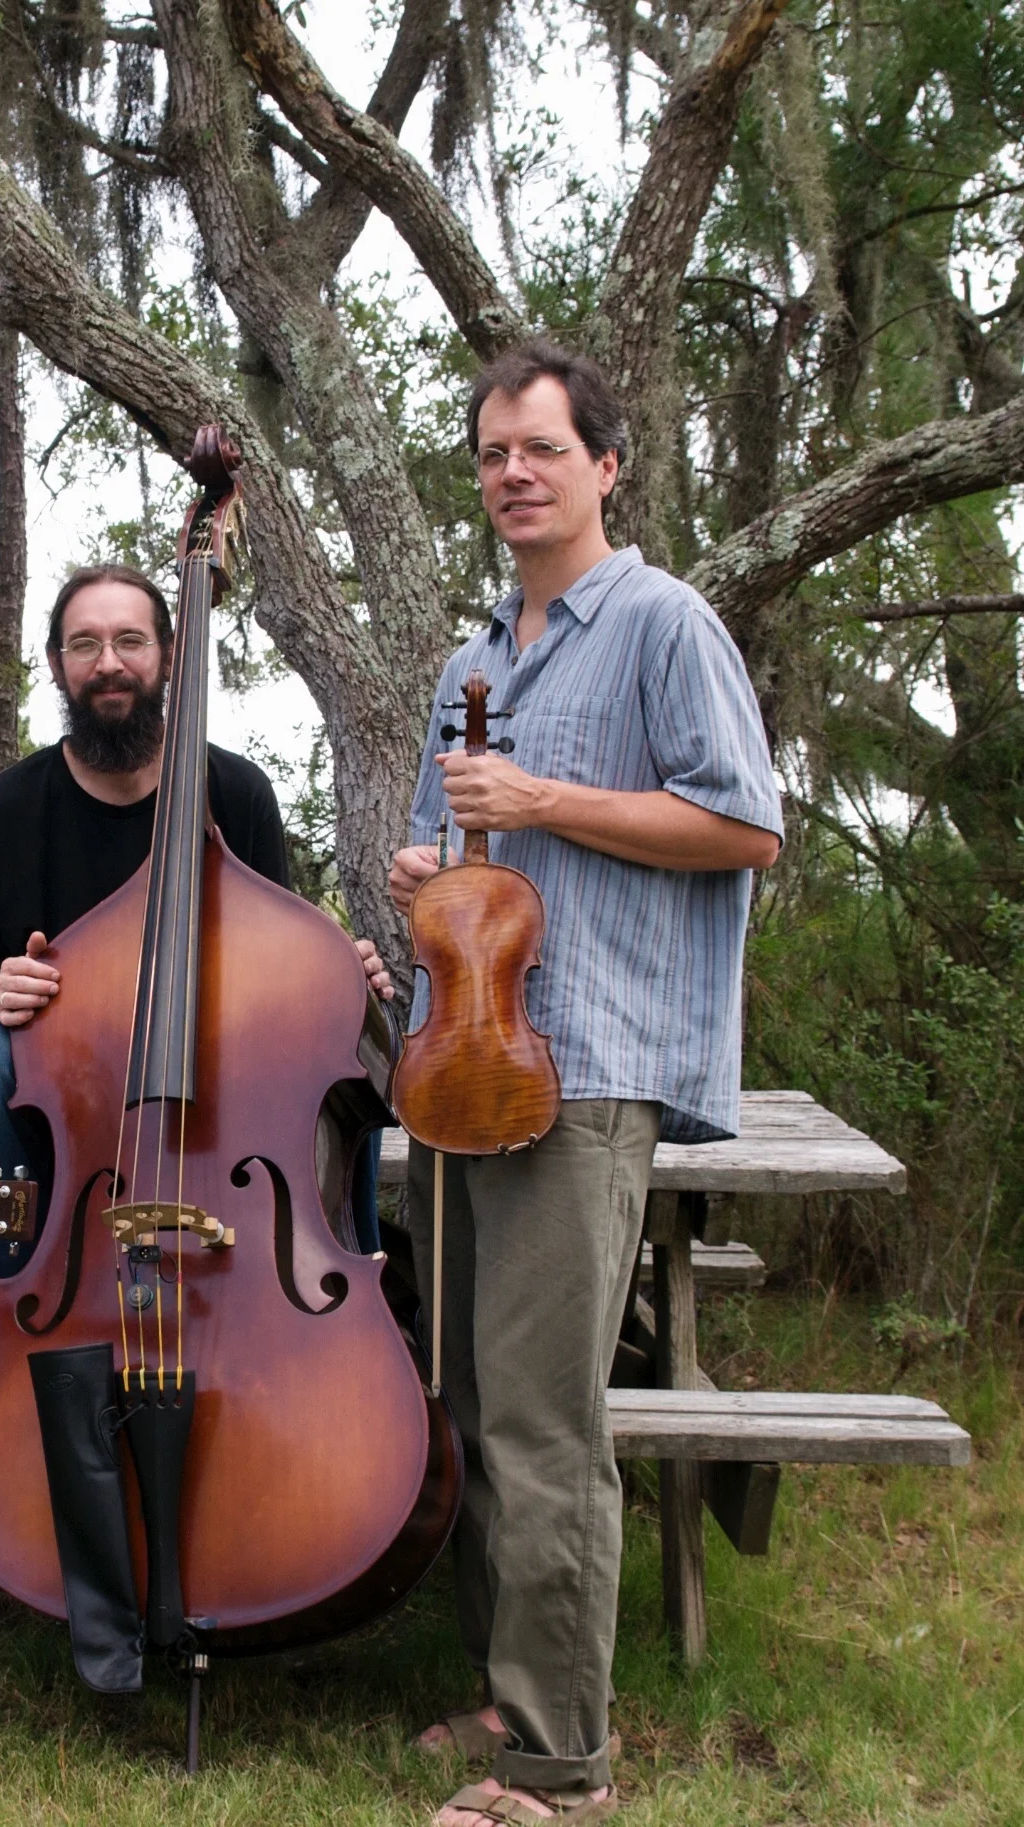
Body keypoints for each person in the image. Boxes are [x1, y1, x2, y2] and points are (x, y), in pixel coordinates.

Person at [388, 342, 782, 1826]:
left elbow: (744, 826)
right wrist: (423, 872)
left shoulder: (664, 624)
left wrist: (541, 800)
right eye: (493, 452)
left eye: (542, 448)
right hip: (460, 1064)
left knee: (546, 1418)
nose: (514, 473)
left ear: (605, 466)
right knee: (471, 1399)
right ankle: (507, 1694)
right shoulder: (470, 662)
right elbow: (453, 860)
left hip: (589, 1067)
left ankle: (560, 1765)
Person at [0, 562, 395, 1261]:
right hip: (66, 1084)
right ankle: (16, 1287)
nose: (109, 663)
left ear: (170, 654)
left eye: (130, 640)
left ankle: (345, 1281)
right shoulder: (7, 807)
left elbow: (276, 959)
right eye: (85, 644)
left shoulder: (236, 791)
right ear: (56, 664)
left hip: (215, 1064)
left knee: (343, 1053)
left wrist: (334, 976)